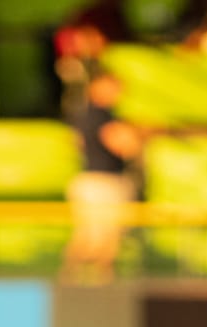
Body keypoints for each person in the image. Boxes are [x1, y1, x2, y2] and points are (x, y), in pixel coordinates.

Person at [62, 68, 140, 285]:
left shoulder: (81, 114)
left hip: (88, 180)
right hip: (104, 182)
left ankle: (73, 280)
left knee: (89, 235)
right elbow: (125, 145)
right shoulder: (102, 115)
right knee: (103, 239)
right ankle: (98, 284)